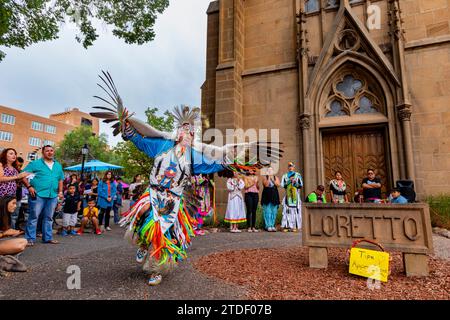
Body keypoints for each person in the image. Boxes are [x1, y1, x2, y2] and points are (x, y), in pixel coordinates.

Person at [91, 74, 281, 286]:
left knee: (163, 233)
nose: (187, 133)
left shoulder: (195, 157)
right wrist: (126, 124)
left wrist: (239, 158)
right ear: (177, 133)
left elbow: (217, 164)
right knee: (143, 215)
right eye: (184, 130)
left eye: (191, 131)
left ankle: (157, 269)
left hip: (173, 200)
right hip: (153, 193)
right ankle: (143, 245)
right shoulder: (161, 146)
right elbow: (137, 139)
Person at [22, 145, 64, 246]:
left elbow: (60, 179)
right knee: (34, 217)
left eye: (51, 150)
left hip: (52, 195)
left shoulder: (58, 165)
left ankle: (47, 238)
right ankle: (29, 239)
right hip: (38, 194)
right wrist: (29, 187)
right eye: (47, 151)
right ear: (43, 153)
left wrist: (61, 192)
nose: (50, 152)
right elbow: (23, 175)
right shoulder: (35, 164)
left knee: (49, 218)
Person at [281, 162, 303, 232]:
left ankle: (295, 226)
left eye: (292, 166)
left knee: (295, 210)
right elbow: (282, 185)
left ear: (294, 167)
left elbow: (301, 185)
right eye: (289, 166)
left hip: (295, 195)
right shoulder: (285, 175)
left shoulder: (297, 175)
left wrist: (294, 182)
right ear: (288, 167)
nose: (290, 167)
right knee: (287, 210)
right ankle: (287, 226)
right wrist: (289, 181)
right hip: (288, 195)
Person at [261, 167, 280, 232]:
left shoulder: (276, 178)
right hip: (266, 196)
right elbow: (266, 185)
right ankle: (268, 225)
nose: (270, 172)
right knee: (267, 211)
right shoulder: (264, 178)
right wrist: (269, 177)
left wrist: (273, 179)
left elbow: (278, 185)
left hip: (274, 195)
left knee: (274, 211)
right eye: (268, 170)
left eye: (271, 170)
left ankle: (272, 225)